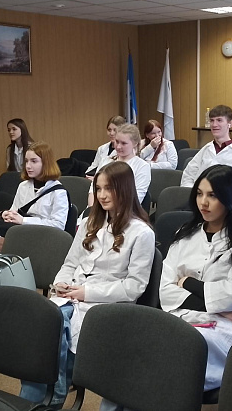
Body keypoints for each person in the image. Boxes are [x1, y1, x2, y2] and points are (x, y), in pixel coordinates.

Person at [20, 161, 155, 408]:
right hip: (72, 294)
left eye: (109, 189)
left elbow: (134, 287)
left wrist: (86, 293)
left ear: (124, 190)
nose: (102, 195)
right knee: (40, 327)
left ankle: (52, 399)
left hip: (106, 303)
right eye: (98, 189)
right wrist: (61, 283)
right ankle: (31, 402)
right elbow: (70, 262)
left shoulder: (141, 232)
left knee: (57, 330)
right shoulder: (89, 222)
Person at [160, 164, 232, 392]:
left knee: (175, 361)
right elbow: (165, 291)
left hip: (224, 326)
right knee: (143, 351)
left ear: (229, 198)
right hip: (180, 316)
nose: (203, 203)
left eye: (212, 196)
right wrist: (219, 306)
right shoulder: (184, 235)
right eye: (199, 194)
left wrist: (187, 282)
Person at [0, 142, 69, 234]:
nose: (28, 166)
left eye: (34, 161)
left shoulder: (58, 192)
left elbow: (59, 225)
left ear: (46, 163)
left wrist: (24, 221)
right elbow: (15, 210)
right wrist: (7, 214)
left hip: (43, 235)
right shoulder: (23, 186)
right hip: (21, 231)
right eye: (26, 161)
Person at [181, 105, 232, 187]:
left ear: (230, 123)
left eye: (219, 120)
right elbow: (188, 175)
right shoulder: (206, 149)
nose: (214, 124)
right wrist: (192, 192)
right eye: (212, 121)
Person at [87, 124, 151, 207]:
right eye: (117, 142)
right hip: (99, 208)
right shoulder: (106, 161)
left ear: (135, 143)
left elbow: (136, 198)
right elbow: (93, 189)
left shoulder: (142, 166)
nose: (118, 146)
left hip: (125, 210)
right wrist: (92, 209)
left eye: (124, 143)